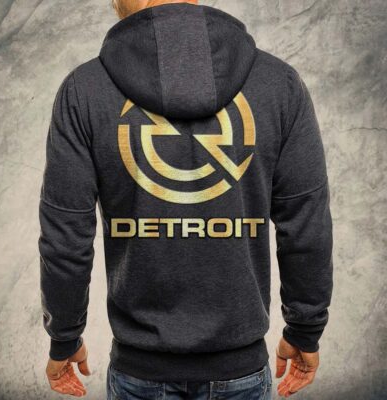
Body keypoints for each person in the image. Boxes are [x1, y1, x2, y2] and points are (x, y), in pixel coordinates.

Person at [38, 0, 334, 399]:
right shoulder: (277, 84)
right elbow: (306, 225)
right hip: (241, 371)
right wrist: (304, 330)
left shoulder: (85, 90)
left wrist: (64, 337)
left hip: (139, 372)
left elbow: (65, 237)